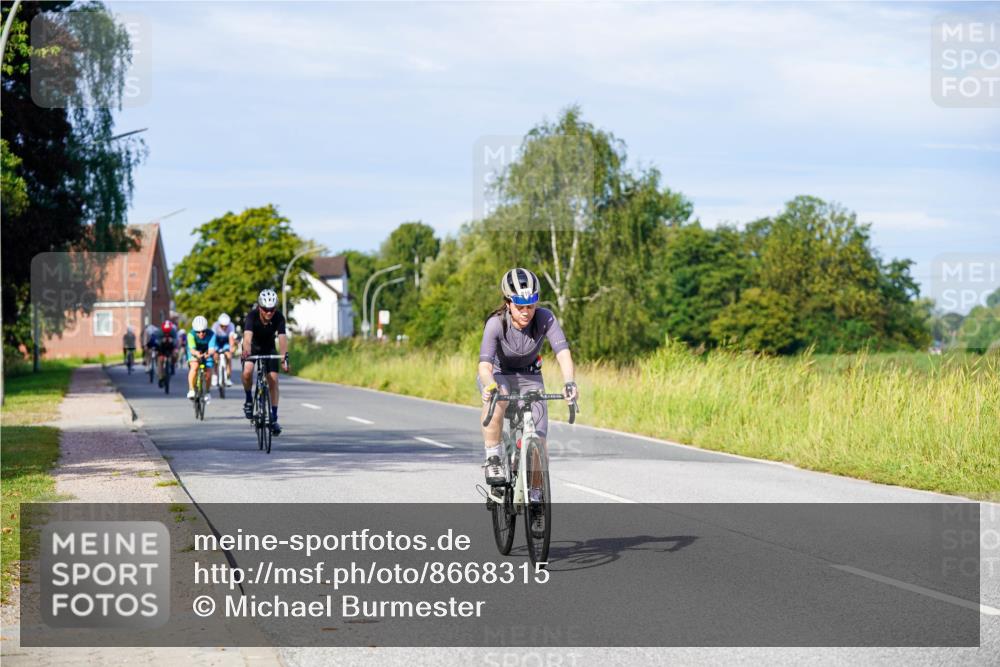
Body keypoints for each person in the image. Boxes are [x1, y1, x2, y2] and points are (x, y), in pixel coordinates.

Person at [478, 268, 579, 498]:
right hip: (499, 374)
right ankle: (493, 458)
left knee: (539, 441)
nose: (526, 312)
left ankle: (535, 493)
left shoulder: (545, 318)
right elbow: (484, 366)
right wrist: (490, 386)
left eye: (531, 306)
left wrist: (569, 382)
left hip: (530, 377)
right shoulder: (496, 324)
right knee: (498, 397)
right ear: (508, 303)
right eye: (520, 306)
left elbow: (563, 353)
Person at [241, 289, 289, 435]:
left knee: (273, 380)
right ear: (260, 307)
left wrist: (284, 358)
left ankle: (273, 418)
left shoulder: (279, 317)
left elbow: (282, 339)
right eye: (266, 309)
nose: (269, 312)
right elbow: (247, 338)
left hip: (269, 348)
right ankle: (249, 399)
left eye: (272, 309)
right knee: (247, 371)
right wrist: (246, 350)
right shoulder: (252, 316)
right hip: (252, 347)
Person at [186, 316, 218, 401]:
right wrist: (197, 354)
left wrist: (208, 354)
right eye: (198, 332)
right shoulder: (191, 335)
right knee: (195, 366)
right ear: (194, 331)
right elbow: (192, 350)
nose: (201, 334)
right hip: (195, 351)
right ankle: (191, 390)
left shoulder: (211, 334)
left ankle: (207, 392)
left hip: (206, 352)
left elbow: (211, 349)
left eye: (203, 331)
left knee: (208, 372)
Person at [211, 313, 237, 387]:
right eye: (222, 326)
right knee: (215, 356)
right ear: (219, 324)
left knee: (229, 356)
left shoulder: (231, 325)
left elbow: (231, 338)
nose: (224, 327)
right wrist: (213, 349)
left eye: (226, 326)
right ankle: (215, 375)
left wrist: (231, 348)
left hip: (226, 341)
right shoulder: (215, 325)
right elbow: (213, 339)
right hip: (217, 341)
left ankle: (228, 378)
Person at [153, 321, 178, 387]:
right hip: (161, 348)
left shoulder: (173, 331)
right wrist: (161, 341)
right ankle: (161, 377)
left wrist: (172, 341)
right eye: (165, 332)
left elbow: (176, 340)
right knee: (160, 360)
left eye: (168, 331)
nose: (167, 333)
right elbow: (156, 342)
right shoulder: (159, 332)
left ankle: (172, 365)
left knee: (175, 355)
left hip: (171, 348)